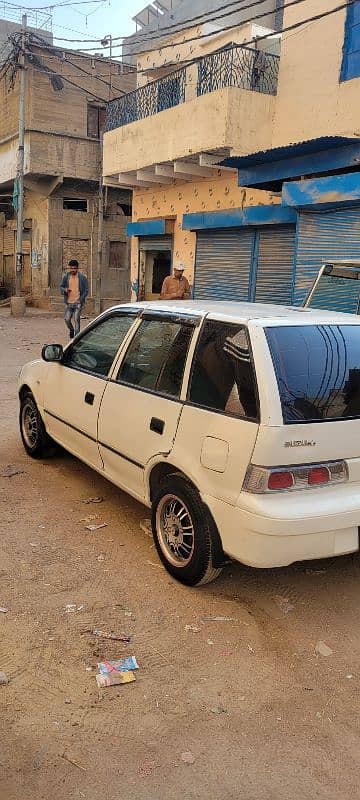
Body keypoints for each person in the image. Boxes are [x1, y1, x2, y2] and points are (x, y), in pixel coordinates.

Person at [60, 259, 89, 339]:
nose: (73, 270)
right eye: (71, 268)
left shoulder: (82, 278)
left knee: (77, 320)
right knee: (67, 319)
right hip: (68, 303)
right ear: (69, 268)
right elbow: (61, 286)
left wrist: (81, 299)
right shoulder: (66, 277)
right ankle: (71, 330)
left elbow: (86, 290)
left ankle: (76, 338)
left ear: (77, 268)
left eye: (74, 268)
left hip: (78, 303)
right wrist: (65, 290)